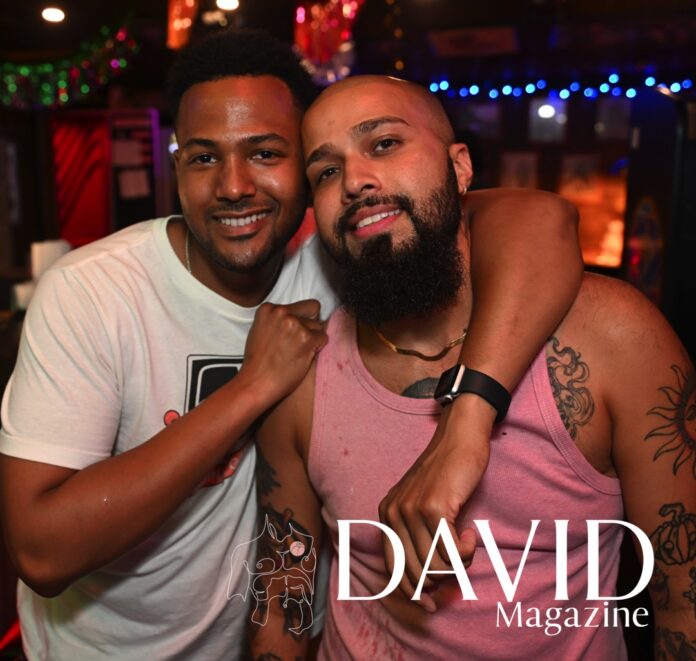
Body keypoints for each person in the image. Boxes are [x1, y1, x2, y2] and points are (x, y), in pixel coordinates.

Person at [0, 32, 583, 660]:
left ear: (307, 172)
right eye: (203, 158)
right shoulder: (94, 292)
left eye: (265, 153)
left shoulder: (340, 261)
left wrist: (466, 423)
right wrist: (252, 387)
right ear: (176, 170)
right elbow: (42, 552)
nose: (233, 185)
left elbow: (542, 221)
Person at [251, 75, 696, 660]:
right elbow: (281, 599)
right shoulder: (303, 374)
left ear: (460, 168)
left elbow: (683, 602)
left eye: (384, 144)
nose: (354, 180)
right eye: (327, 171)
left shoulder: (612, 336)